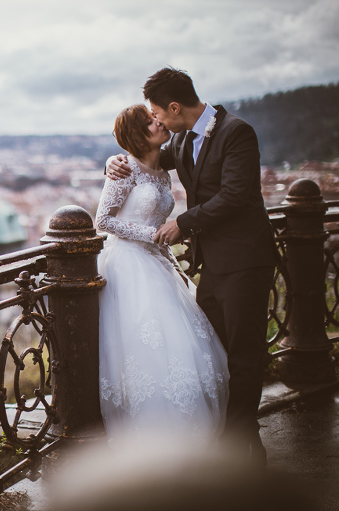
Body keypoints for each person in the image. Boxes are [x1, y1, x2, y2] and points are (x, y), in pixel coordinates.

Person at [106, 67, 276, 464]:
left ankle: (239, 449)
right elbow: (144, 158)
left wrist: (182, 223)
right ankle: (235, 439)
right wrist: (113, 163)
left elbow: (235, 195)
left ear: (174, 107)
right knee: (214, 353)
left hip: (246, 261)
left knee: (245, 354)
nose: (156, 119)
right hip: (213, 265)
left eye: (156, 112)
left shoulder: (237, 132)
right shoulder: (183, 142)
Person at [95, 104, 229, 448]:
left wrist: (163, 247)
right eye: (151, 121)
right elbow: (103, 221)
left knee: (181, 342)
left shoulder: (161, 170)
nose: (159, 122)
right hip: (129, 265)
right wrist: (150, 235)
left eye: (157, 117)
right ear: (139, 134)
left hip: (156, 261)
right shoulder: (125, 170)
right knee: (146, 344)